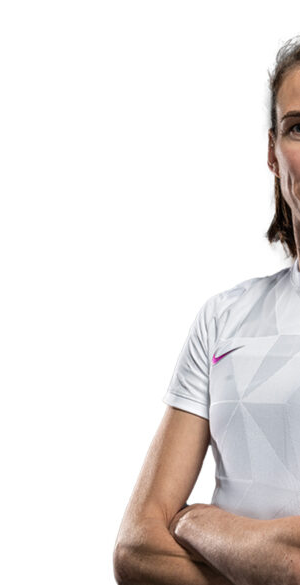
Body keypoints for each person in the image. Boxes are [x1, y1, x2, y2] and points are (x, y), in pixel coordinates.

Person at [114, 36, 300, 585]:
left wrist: (196, 521)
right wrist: (265, 560)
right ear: (272, 152)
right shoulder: (224, 319)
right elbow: (134, 547)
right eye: (298, 128)